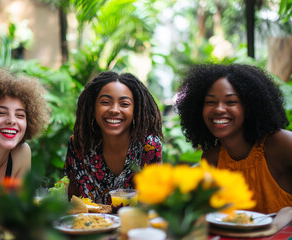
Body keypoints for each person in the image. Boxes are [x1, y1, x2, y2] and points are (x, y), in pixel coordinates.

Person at [176, 63, 292, 214]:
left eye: (231, 102)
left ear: (249, 107)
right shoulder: (212, 158)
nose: (219, 109)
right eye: (210, 102)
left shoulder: (280, 144)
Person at [64, 71, 163, 204]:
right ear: (93, 108)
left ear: (136, 110)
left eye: (124, 104)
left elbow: (154, 202)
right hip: (90, 224)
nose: (114, 110)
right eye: (105, 102)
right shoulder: (80, 144)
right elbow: (74, 203)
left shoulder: (149, 146)